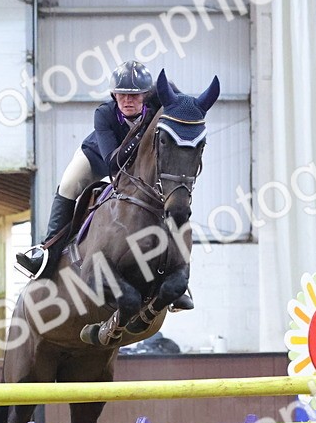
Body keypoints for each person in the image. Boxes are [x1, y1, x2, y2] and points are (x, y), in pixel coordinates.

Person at [15, 61, 193, 311]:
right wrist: (142, 132)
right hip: (100, 158)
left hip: (138, 165)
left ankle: (178, 276)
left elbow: (182, 105)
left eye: (134, 95)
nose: (127, 101)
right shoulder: (105, 113)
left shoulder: (156, 103)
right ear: (113, 95)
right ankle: (47, 251)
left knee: (170, 197)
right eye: (121, 95)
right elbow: (114, 163)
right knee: (69, 184)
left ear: (146, 94)